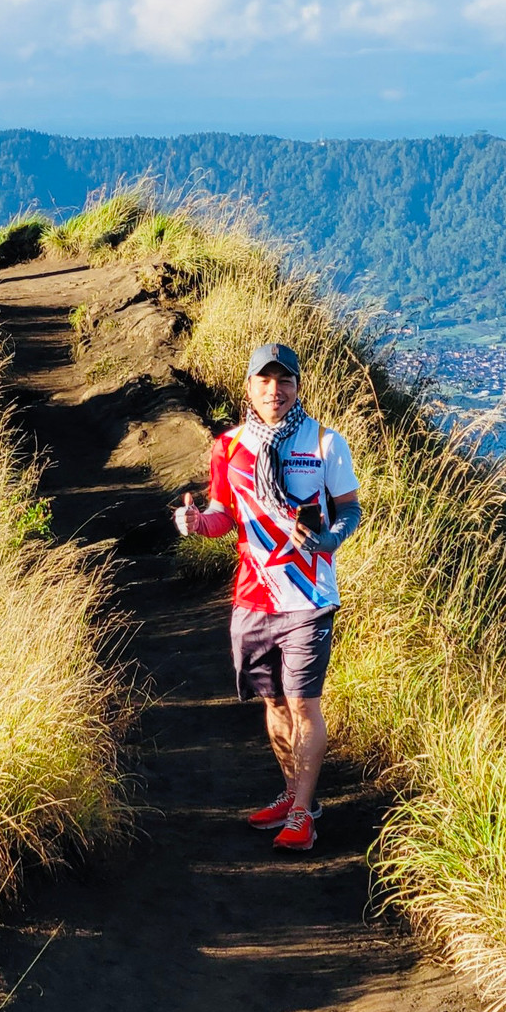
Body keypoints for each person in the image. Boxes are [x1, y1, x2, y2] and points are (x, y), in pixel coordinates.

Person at [174, 343, 361, 852]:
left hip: (309, 598)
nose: (274, 391)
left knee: (304, 704)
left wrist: (329, 539)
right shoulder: (228, 447)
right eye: (264, 382)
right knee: (273, 702)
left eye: (284, 382)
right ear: (249, 388)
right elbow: (222, 517)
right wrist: (194, 524)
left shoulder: (325, 443)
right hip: (252, 600)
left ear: (298, 387)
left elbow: (349, 509)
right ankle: (293, 793)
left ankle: (302, 813)